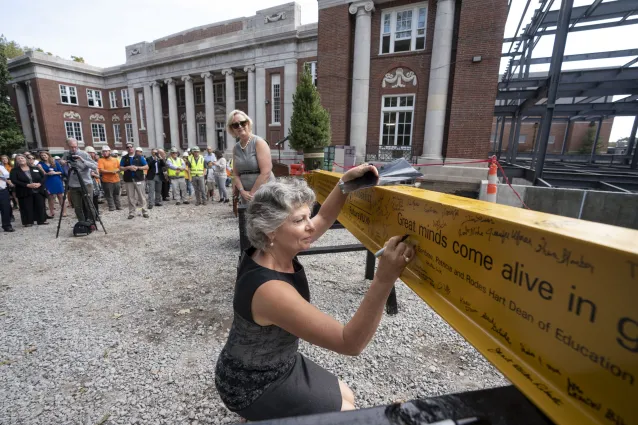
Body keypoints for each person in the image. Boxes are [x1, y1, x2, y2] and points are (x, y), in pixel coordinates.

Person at [215, 168, 413, 421]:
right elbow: (350, 342)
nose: (310, 226)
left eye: (308, 216)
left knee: (348, 396)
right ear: (271, 230)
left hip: (280, 362)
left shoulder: (270, 249)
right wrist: (385, 277)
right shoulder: (271, 290)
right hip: (252, 384)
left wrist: (344, 184)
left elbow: (324, 219)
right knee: (348, 414)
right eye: (299, 220)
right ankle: (259, 415)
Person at [229, 110, 275, 205]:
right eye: (235, 125)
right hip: (246, 194)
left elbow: (266, 172)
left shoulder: (259, 142)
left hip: (264, 191)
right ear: (232, 128)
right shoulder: (235, 148)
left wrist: (252, 194)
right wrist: (242, 191)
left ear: (248, 123)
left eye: (243, 123)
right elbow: (236, 174)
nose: (240, 126)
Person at [9, 154, 49, 227]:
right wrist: (27, 185)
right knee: (26, 206)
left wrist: (39, 184)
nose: (21, 159)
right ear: (16, 161)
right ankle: (28, 221)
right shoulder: (14, 170)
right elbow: (14, 180)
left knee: (40, 205)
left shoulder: (35, 168)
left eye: (22, 158)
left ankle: (41, 220)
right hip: (24, 191)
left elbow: (43, 177)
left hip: (38, 190)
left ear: (26, 159)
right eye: (18, 159)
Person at [65, 138, 98, 223]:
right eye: (71, 147)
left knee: (89, 204)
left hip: (85, 183)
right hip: (73, 184)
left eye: (75, 147)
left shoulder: (83, 154)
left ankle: (92, 222)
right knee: (77, 206)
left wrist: (82, 160)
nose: (74, 149)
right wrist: (63, 162)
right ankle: (82, 222)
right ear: (68, 146)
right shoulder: (66, 154)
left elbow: (94, 166)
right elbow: (63, 166)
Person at [120, 144, 149, 219]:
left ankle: (145, 211)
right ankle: (132, 212)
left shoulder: (139, 157)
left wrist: (138, 168)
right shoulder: (124, 158)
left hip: (139, 179)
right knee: (130, 197)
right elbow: (121, 168)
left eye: (131, 147)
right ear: (126, 149)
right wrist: (128, 167)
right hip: (129, 180)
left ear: (133, 148)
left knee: (142, 196)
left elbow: (146, 166)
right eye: (128, 147)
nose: (130, 148)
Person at [38, 151, 66, 218]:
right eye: (42, 155)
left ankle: (64, 211)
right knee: (50, 197)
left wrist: (55, 173)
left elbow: (61, 171)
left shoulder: (54, 162)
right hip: (47, 180)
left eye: (45, 155)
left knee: (60, 196)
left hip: (56, 180)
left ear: (48, 155)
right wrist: (46, 172)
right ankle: (51, 212)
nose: (44, 156)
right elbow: (42, 173)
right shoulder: (40, 163)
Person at [97, 146, 122, 211]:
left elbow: (120, 168)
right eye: (103, 151)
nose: (105, 153)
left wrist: (117, 170)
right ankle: (112, 207)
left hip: (116, 180)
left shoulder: (115, 159)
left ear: (109, 152)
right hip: (107, 181)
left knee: (116, 194)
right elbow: (101, 170)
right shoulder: (101, 160)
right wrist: (111, 172)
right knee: (109, 195)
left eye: (106, 151)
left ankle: (118, 206)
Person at [85, 146, 102, 215]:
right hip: (85, 183)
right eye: (90, 153)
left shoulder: (94, 163)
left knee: (95, 198)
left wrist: (93, 175)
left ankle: (96, 213)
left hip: (93, 183)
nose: (92, 155)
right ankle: (89, 214)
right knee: (87, 199)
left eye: (93, 153)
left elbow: (98, 175)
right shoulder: (83, 162)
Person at [0, 162, 14, 232]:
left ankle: (7, 225)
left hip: (2, 189)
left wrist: (10, 183)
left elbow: (5, 177)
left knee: (5, 208)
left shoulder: (1, 166)